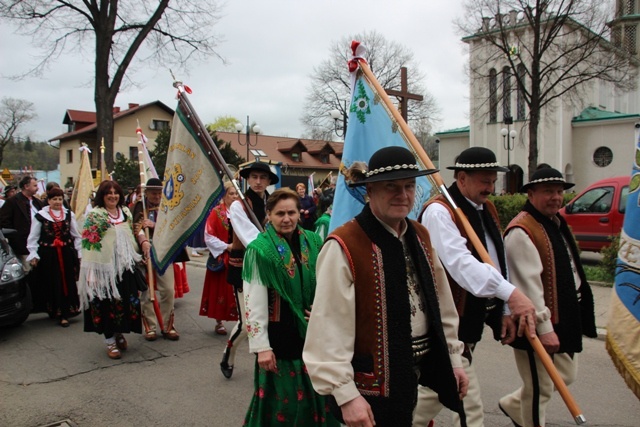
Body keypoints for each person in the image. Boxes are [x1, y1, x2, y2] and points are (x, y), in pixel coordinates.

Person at [303, 146, 468, 427]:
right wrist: (345, 395)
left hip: (420, 378)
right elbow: (328, 329)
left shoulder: (420, 235)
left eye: (408, 185)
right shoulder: (344, 244)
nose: (402, 195)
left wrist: (453, 358)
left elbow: (442, 304)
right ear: (369, 191)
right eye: (391, 187)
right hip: (370, 391)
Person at [417, 147, 537, 426]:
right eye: (485, 180)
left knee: (432, 397)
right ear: (461, 178)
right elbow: (462, 266)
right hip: (448, 325)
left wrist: (504, 307)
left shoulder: (485, 209)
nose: (491, 188)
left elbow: (497, 261)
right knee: (469, 409)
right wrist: (511, 294)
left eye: (493, 180)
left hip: (470, 325)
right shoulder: (439, 212)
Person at [498, 168, 596, 427]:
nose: (555, 197)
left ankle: (513, 404)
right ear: (531, 194)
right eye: (548, 192)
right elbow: (528, 288)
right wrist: (544, 328)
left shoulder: (554, 223)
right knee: (540, 388)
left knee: (565, 374)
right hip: (536, 322)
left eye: (559, 191)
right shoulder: (522, 231)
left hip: (565, 315)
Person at [242, 188, 338, 426]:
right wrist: (262, 347)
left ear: (299, 213)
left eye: (291, 212)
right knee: (285, 404)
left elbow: (329, 282)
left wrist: (321, 309)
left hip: (312, 334)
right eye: (280, 213)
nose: (287, 219)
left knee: (316, 398)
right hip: (279, 339)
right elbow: (253, 302)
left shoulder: (314, 241)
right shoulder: (259, 251)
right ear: (269, 215)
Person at [220, 161, 278, 379]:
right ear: (247, 179)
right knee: (247, 324)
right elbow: (249, 238)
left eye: (263, 178)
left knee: (268, 318)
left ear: (268, 181)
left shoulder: (273, 203)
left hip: (271, 267)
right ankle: (229, 352)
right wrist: (272, 251)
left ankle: (265, 363)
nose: (258, 181)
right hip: (245, 267)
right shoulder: (239, 206)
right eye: (254, 177)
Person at [77, 180, 144, 360]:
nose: (113, 196)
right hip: (104, 270)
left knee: (125, 302)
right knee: (106, 304)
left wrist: (143, 243)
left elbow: (134, 232)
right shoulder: (95, 216)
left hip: (125, 267)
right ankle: (110, 341)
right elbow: (89, 245)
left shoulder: (126, 212)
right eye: (109, 193)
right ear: (102, 196)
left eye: (116, 193)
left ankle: (119, 332)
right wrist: (92, 272)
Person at [132, 177, 184, 341]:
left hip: (164, 252)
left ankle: (168, 326)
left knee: (168, 290)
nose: (156, 196)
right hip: (145, 253)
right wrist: (143, 240)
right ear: (146, 193)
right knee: (146, 291)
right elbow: (135, 226)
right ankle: (150, 327)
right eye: (153, 193)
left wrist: (156, 225)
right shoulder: (139, 207)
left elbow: (174, 227)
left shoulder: (168, 206)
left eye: (159, 192)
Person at [26, 187, 82, 327]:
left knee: (67, 281)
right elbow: (33, 237)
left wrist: (79, 253)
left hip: (66, 253)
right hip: (49, 255)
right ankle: (56, 311)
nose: (57, 202)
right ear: (49, 200)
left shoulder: (69, 214)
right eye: (54, 199)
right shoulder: (40, 216)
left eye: (60, 199)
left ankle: (67, 311)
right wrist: (33, 254)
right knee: (53, 282)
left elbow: (76, 236)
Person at [199, 182, 239, 335]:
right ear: (224, 195)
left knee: (238, 290)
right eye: (231, 193)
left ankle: (241, 320)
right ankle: (219, 321)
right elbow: (208, 236)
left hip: (239, 256)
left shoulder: (241, 212)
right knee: (221, 289)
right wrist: (226, 246)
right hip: (223, 256)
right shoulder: (216, 213)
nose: (235, 196)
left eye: (236, 193)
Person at [0, 176, 44, 272]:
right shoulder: (12, 202)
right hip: (22, 246)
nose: (37, 188)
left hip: (39, 245)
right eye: (35, 185)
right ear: (26, 186)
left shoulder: (38, 203)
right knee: (28, 272)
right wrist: (15, 235)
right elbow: (4, 221)